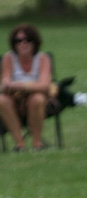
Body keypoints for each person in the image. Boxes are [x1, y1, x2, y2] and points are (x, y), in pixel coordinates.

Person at [0, 23, 51, 151]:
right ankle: (20, 144)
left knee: (37, 99)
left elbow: (45, 86)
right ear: (14, 43)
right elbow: (5, 82)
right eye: (19, 40)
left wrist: (20, 86)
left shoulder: (43, 59)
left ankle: (37, 143)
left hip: (37, 99)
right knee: (2, 100)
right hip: (14, 99)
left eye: (28, 40)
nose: (23, 44)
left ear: (35, 43)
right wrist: (9, 85)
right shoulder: (8, 58)